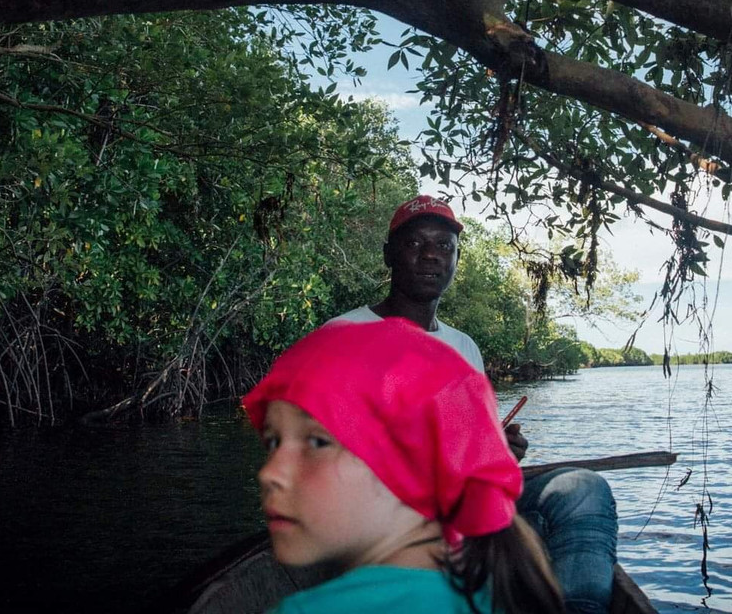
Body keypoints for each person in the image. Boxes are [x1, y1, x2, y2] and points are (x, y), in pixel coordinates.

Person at [329, 195, 619, 614]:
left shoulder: (464, 347)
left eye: (445, 246)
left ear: (456, 260)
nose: (431, 255)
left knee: (582, 489)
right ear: (389, 254)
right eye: (415, 244)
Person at [242, 317, 565, 614]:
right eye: (272, 442)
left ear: (417, 465)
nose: (270, 472)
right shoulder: (497, 591)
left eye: (317, 442)